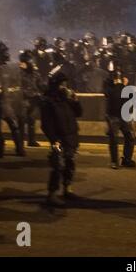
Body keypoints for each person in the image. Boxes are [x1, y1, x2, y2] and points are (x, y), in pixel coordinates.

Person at [40, 70, 83, 206]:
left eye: (65, 84)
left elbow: (78, 113)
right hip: (58, 138)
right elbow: (46, 124)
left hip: (71, 136)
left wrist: (75, 101)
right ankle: (52, 194)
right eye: (62, 84)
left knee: (70, 163)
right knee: (57, 165)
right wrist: (53, 140)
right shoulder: (48, 101)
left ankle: (67, 188)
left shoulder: (67, 99)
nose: (64, 87)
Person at [103, 69, 136, 170]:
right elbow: (111, 94)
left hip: (124, 115)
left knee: (130, 137)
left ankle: (127, 159)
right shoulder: (108, 85)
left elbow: (131, 96)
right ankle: (114, 161)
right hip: (113, 115)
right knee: (114, 138)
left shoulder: (124, 86)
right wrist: (121, 85)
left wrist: (124, 86)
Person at [19, 50, 45, 147]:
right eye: (31, 60)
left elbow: (40, 85)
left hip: (34, 99)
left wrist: (43, 90)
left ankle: (31, 140)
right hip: (23, 99)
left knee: (31, 120)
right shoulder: (19, 73)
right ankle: (20, 141)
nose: (32, 62)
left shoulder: (35, 73)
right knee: (21, 121)